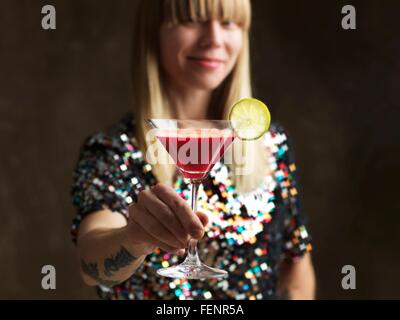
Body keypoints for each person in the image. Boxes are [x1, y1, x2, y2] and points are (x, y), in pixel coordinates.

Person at [70, 0, 316, 300]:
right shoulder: (112, 151)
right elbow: (91, 262)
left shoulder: (269, 144)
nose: (213, 38)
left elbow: (297, 277)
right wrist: (134, 239)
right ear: (154, 32)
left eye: (228, 23)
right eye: (192, 20)